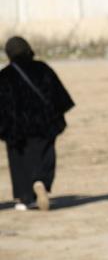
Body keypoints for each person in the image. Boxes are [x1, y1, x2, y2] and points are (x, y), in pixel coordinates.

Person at [0, 37, 74, 211]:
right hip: (44, 124)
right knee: (44, 153)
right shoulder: (42, 68)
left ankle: (25, 198)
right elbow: (59, 96)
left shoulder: (5, 76)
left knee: (19, 160)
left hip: (16, 128)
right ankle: (41, 181)